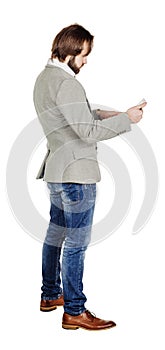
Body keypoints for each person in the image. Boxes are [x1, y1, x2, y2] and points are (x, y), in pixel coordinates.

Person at [33, 24, 147, 331]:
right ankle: (74, 310)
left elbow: (70, 117)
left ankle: (50, 294)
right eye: (84, 55)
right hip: (76, 175)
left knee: (56, 234)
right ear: (70, 52)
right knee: (76, 243)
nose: (86, 61)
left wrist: (106, 114)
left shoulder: (45, 79)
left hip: (57, 172)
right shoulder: (68, 84)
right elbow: (85, 131)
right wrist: (128, 120)